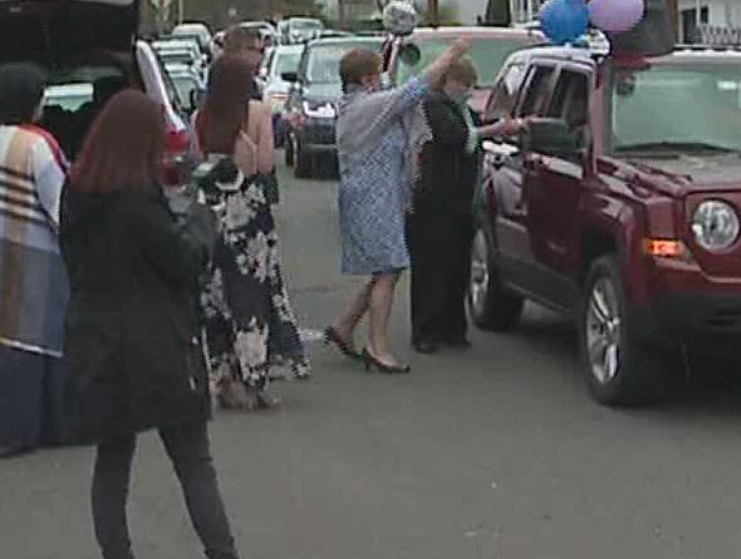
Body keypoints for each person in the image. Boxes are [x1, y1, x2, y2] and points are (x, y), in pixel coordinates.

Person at [62, 91, 239, 559]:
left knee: (113, 458)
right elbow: (183, 263)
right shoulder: (139, 202)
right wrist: (204, 216)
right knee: (194, 462)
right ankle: (222, 553)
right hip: (158, 341)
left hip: (96, 338)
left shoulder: (76, 190)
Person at [321, 40, 469, 375]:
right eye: (375, 74)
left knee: (387, 266)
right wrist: (451, 55)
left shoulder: (362, 105)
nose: (380, 80)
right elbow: (413, 90)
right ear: (365, 80)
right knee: (388, 268)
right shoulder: (366, 109)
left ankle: (345, 326)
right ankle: (378, 346)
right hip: (371, 198)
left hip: (379, 196)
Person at [194, 54, 309, 409]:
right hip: (249, 215)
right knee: (252, 295)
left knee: (216, 297)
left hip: (211, 212)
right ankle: (255, 380)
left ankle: (221, 377)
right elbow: (264, 165)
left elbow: (197, 162)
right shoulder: (257, 113)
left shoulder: (201, 117)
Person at [0, 62, 71, 456]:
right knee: (41, 337)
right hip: (37, 256)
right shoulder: (38, 144)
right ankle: (49, 427)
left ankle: (4, 428)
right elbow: (59, 204)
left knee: (3, 336)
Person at [408, 58, 526, 354]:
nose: (467, 91)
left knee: (457, 265)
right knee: (432, 266)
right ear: (448, 82)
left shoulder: (462, 110)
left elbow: (476, 125)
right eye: (463, 85)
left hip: (461, 200)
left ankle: (452, 326)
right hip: (434, 199)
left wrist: (505, 126)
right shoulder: (433, 106)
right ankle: (425, 329)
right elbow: (456, 137)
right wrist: (493, 130)